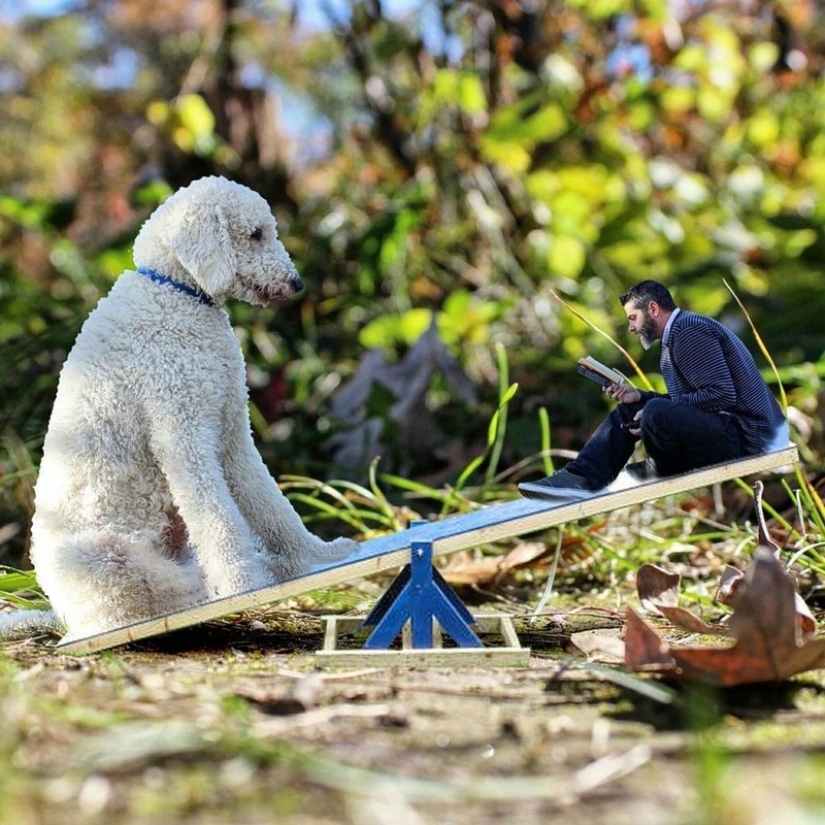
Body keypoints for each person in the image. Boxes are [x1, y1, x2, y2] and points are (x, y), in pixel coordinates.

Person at [518, 280, 790, 500]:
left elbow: (721, 395)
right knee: (634, 407)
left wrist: (654, 408)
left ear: (653, 309)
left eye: (633, 317)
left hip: (749, 438)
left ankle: (663, 467)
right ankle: (582, 476)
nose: (631, 327)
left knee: (655, 410)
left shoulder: (689, 332)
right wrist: (640, 399)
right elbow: (694, 403)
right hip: (728, 429)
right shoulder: (674, 339)